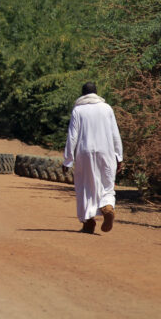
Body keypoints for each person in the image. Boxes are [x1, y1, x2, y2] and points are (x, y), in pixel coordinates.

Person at [63, 82, 124, 234]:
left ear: (83, 94)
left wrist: (68, 160)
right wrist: (119, 156)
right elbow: (115, 134)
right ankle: (107, 206)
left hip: (84, 153)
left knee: (84, 186)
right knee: (107, 184)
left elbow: (72, 136)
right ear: (96, 93)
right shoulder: (107, 108)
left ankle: (88, 222)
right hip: (106, 152)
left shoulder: (78, 110)